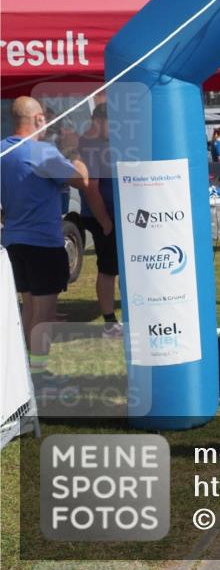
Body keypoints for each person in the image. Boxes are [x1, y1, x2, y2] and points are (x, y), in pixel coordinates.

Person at [2, 97, 107, 383]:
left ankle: (24, 372)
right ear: (37, 119)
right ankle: (38, 373)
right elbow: (82, 180)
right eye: (45, 118)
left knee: (29, 308)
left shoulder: (3, 150)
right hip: (43, 243)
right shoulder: (41, 153)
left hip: (13, 241)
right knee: (44, 313)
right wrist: (73, 149)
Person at [77, 104, 122, 338]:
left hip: (113, 215)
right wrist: (105, 222)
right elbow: (90, 187)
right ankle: (109, 322)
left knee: (114, 267)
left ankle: (113, 319)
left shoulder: (101, 143)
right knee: (108, 268)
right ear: (99, 121)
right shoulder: (91, 146)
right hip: (103, 216)